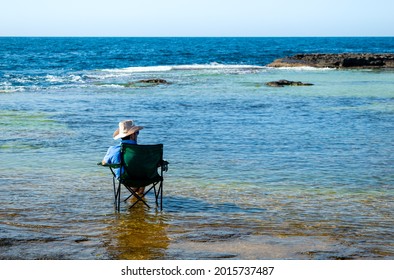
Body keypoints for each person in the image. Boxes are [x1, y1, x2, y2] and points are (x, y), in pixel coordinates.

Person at [102, 120, 145, 195]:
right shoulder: (144, 151)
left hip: (124, 178)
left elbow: (104, 163)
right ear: (132, 135)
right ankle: (139, 194)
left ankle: (136, 193)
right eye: (137, 133)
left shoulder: (113, 149)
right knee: (142, 170)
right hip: (146, 179)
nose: (137, 135)